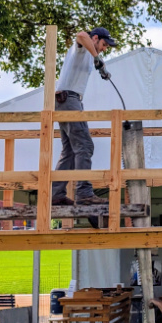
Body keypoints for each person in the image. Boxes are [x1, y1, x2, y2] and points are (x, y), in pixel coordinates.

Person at [51, 27, 116, 206]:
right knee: (85, 146)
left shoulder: (87, 54)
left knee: (70, 150)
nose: (103, 49)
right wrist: (97, 57)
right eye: (103, 44)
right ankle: (84, 193)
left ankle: (56, 195)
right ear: (95, 38)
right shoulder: (81, 47)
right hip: (68, 99)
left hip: (70, 100)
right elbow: (81, 35)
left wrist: (100, 65)